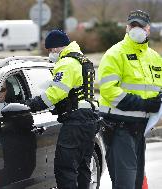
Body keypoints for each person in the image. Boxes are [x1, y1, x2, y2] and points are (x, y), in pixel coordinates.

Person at [23, 30, 99, 189]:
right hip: (89, 119)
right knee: (83, 166)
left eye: (50, 50)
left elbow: (56, 93)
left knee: (65, 168)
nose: (50, 54)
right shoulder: (83, 60)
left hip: (76, 122)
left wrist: (31, 105)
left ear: (57, 48)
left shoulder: (67, 63)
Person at [98, 10, 162, 189]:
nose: (136, 29)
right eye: (133, 25)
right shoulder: (115, 54)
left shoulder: (155, 58)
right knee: (125, 184)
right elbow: (109, 91)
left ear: (148, 29)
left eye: (140, 26)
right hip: (119, 129)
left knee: (135, 184)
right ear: (127, 28)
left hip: (140, 130)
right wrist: (144, 104)